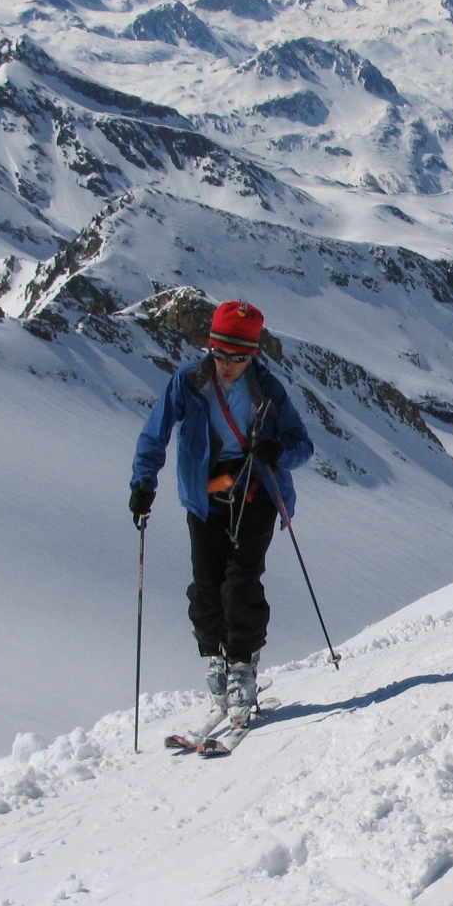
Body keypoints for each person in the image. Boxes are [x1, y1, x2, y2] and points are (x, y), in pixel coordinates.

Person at [128, 301, 313, 729]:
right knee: (206, 586)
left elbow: (301, 444)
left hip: (256, 493)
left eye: (238, 356)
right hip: (205, 495)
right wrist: (143, 483)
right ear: (209, 346)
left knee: (240, 583)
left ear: (252, 355)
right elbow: (154, 436)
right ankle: (215, 662)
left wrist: (278, 452)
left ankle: (242, 670)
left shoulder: (268, 390)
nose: (227, 364)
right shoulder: (188, 383)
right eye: (219, 352)